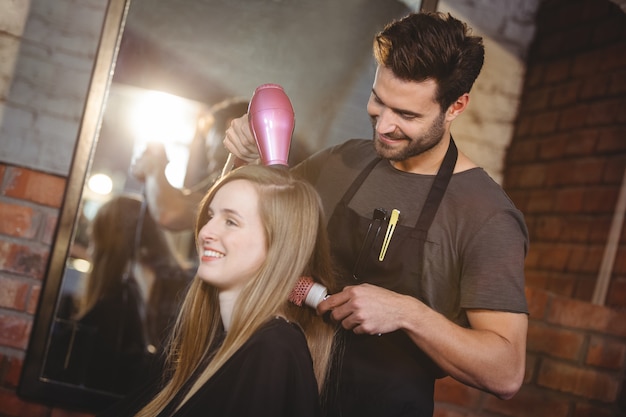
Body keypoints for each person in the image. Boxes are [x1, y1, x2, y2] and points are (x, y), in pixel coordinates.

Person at [223, 11, 529, 417]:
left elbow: (506, 373)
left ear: (456, 106)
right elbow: (237, 230)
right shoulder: (341, 161)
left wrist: (407, 313)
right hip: (279, 395)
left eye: (407, 115)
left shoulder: (485, 215)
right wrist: (240, 159)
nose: (383, 126)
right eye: (378, 101)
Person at [98, 165, 339, 417]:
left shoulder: (271, 352)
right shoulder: (220, 343)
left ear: (278, 246)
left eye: (231, 222)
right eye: (211, 216)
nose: (206, 232)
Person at [73, 195, 191, 395]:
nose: (91, 252)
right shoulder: (186, 286)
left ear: (110, 244)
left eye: (95, 241)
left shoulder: (112, 305)